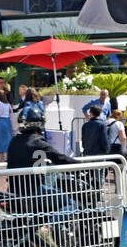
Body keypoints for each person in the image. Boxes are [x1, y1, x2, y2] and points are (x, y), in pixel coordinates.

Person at [6, 101, 82, 237]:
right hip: (33, 191)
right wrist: (81, 166)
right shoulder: (37, 141)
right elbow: (59, 158)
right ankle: (48, 229)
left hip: (13, 190)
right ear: (40, 123)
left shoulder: (14, 141)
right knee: (71, 203)